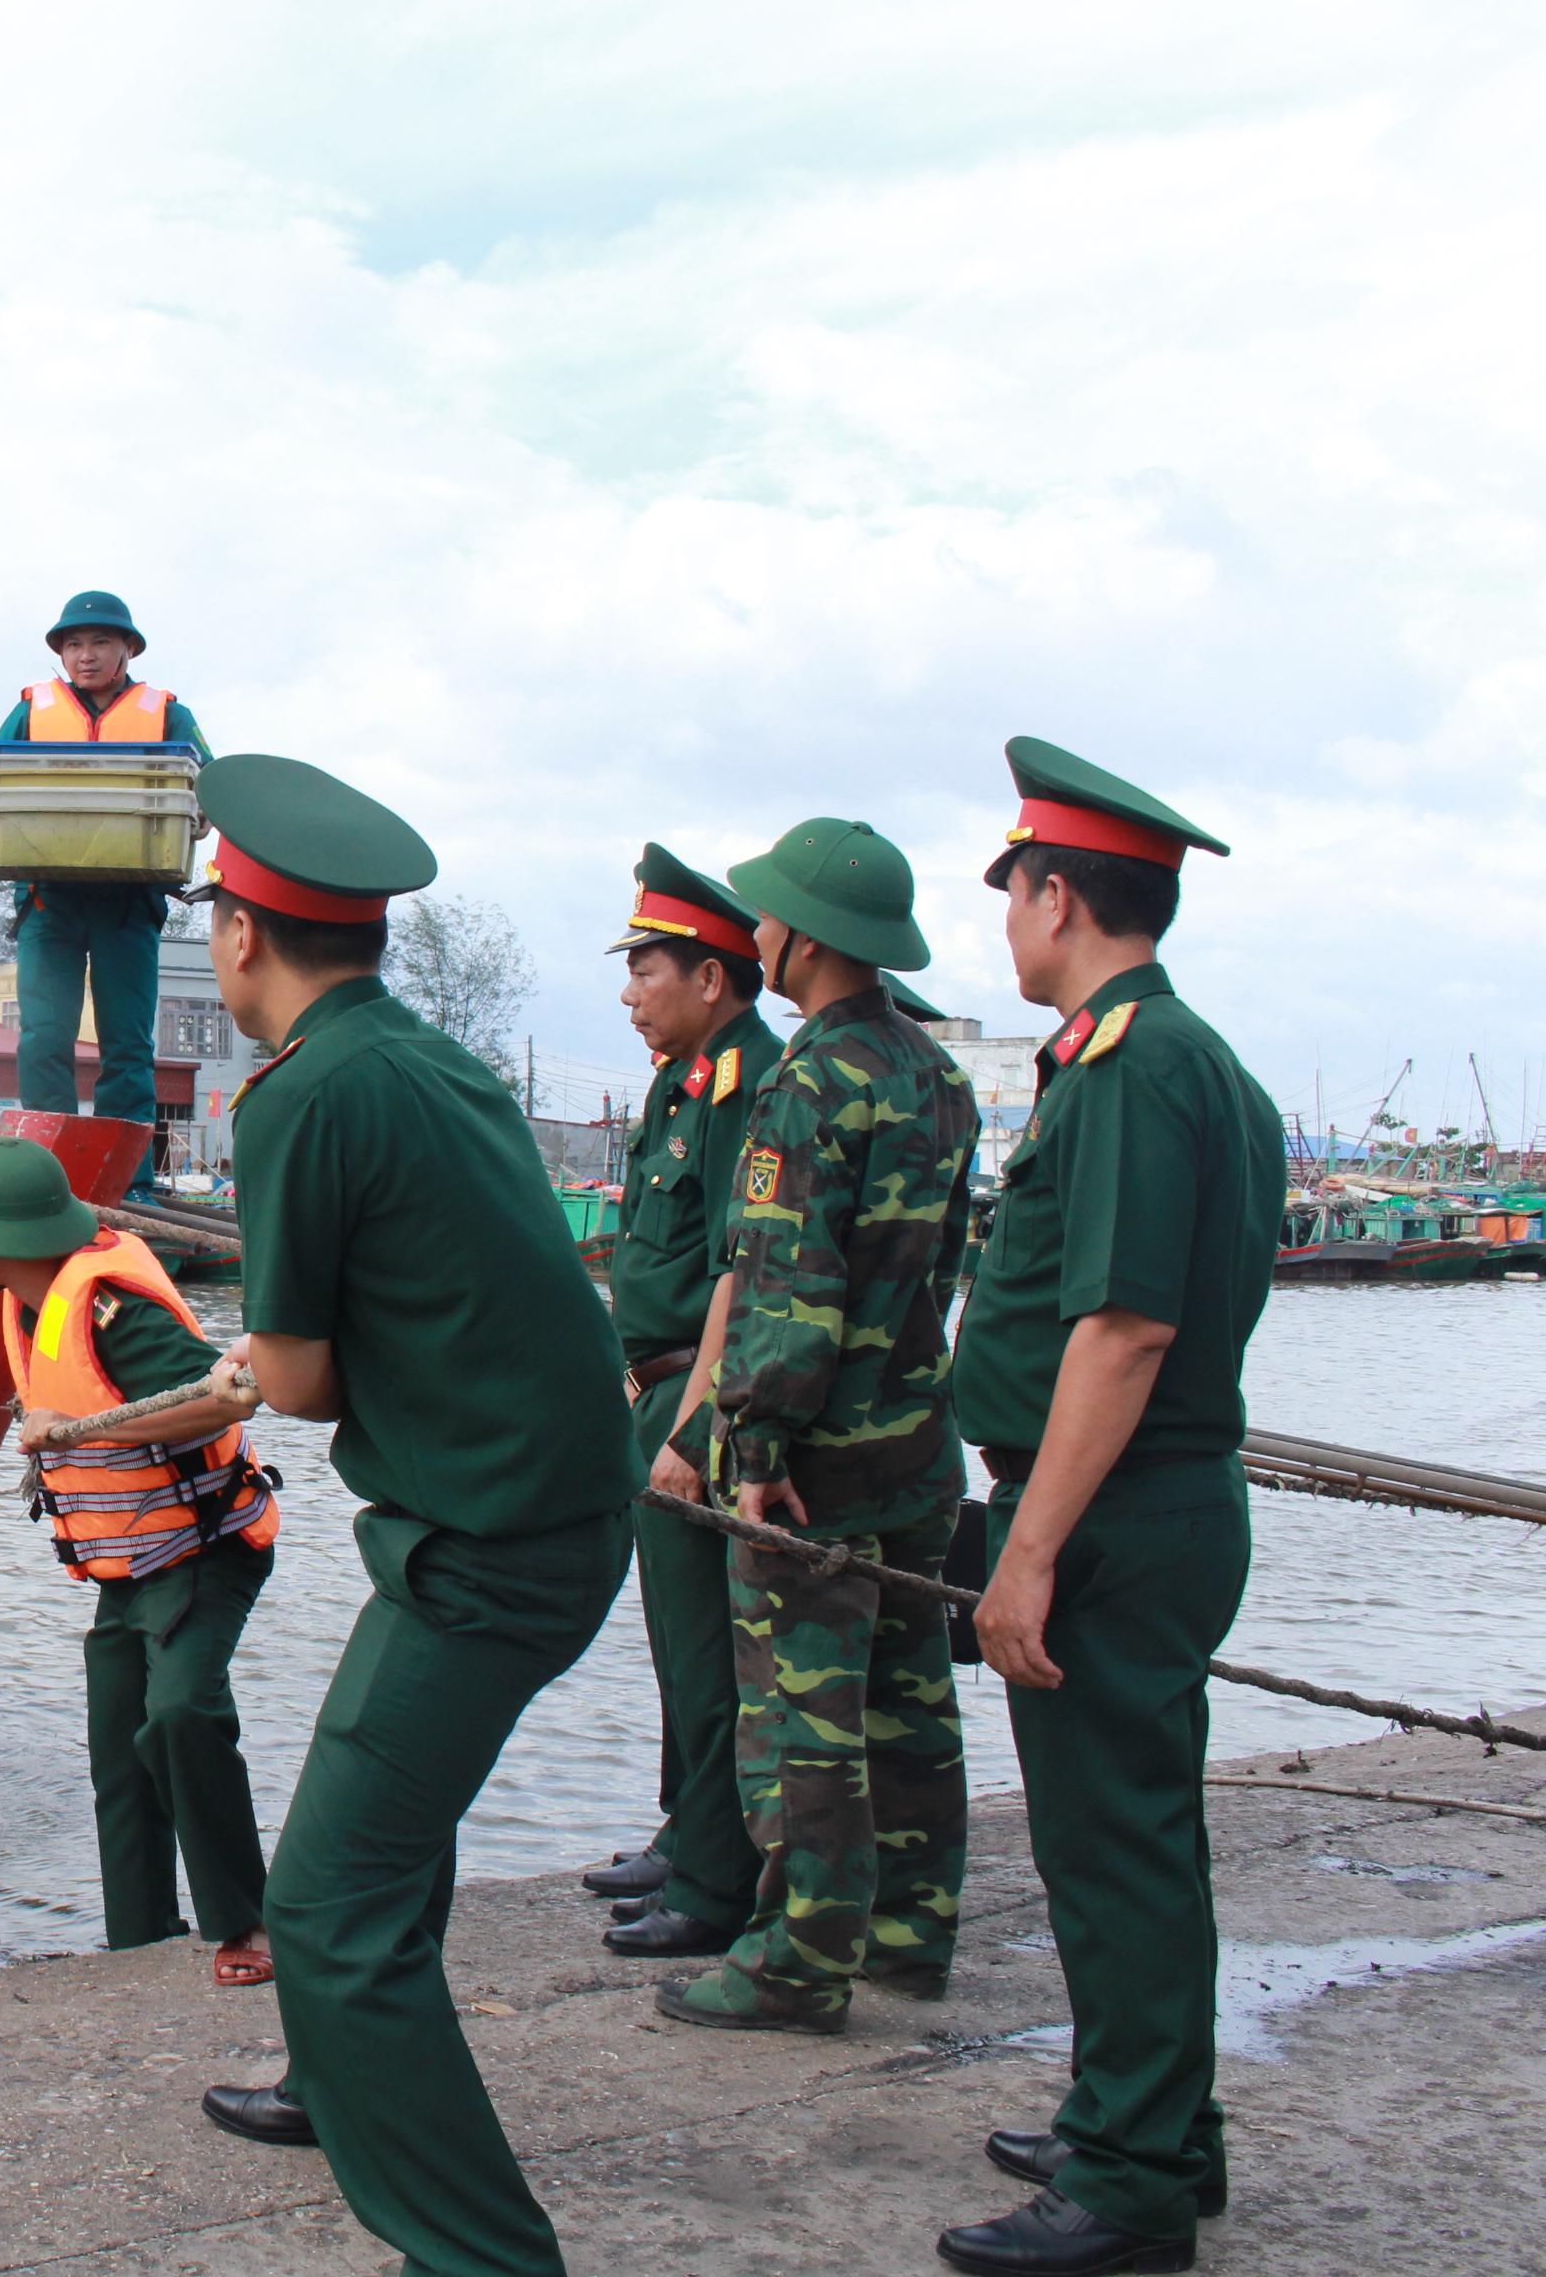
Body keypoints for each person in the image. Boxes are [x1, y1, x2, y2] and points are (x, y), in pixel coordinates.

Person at [184, 755, 634, 2277]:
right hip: (555, 1516)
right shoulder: (434, 1060)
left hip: (485, 1550)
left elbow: (305, 1383)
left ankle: (483, 2255)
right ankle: (338, 2085)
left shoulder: (301, 1096)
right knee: (384, 1822)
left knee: (325, 1909)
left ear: (243, 934)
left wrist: (258, 1358)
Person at [938, 739, 1281, 2277]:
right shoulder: (1191, 1061)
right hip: (1153, 1502)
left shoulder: (1134, 1067)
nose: (1008, 920)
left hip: (1115, 1510)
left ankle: (1134, 2185)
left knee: (1113, 1851)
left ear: (1058, 897)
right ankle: (1148, 2122)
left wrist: (1029, 1552)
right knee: (1139, 1838)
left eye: (1013, 891)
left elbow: (1125, 1330)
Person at [650, 818, 977, 2040]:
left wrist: (756, 1450)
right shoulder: (937, 1076)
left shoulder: (809, 1081)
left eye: (770, 915)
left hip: (817, 1460)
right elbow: (940, 1267)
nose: (759, 930)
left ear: (806, 938)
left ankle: (798, 1959)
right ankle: (910, 1933)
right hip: (915, 1439)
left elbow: (789, 1289)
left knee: (804, 1717)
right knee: (909, 1698)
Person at [0, 1136, 282, 1985]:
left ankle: (248, 1924)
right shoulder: (33, 1302)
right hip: (130, 1566)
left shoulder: (115, 1312)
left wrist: (86, 1431)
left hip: (203, 1550)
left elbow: (226, 1397)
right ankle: (139, 1938)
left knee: (182, 1715)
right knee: (120, 1750)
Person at [590, 844, 784, 1959]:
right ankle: (688, 1830)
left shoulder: (750, 1085)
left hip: (690, 1399)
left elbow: (738, 1273)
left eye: (645, 969)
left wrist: (697, 1425)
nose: (630, 995)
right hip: (647, 1387)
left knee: (714, 1653)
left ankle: (718, 1879)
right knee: (677, 1644)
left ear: (711, 978)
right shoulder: (684, 1080)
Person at [0, 592, 212, 1187]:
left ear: (129, 649)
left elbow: (211, 780)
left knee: (127, 1045)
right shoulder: (30, 710)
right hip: (48, 899)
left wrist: (205, 808)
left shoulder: (169, 713)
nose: (86, 655)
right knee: (43, 1038)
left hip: (128, 903)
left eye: (101, 642)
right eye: (74, 644)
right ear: (61, 653)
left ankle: (128, 1183)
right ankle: (46, 1178)